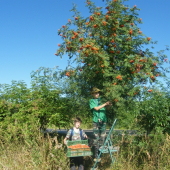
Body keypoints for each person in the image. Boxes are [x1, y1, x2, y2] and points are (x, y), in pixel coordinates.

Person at [89, 87, 112, 162]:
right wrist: (105, 104)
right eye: (95, 93)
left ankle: (100, 154)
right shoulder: (91, 101)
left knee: (102, 137)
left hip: (103, 121)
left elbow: (107, 109)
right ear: (92, 94)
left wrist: (109, 105)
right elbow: (96, 108)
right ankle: (95, 155)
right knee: (96, 138)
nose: (97, 94)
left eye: (98, 92)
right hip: (96, 121)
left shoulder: (102, 100)